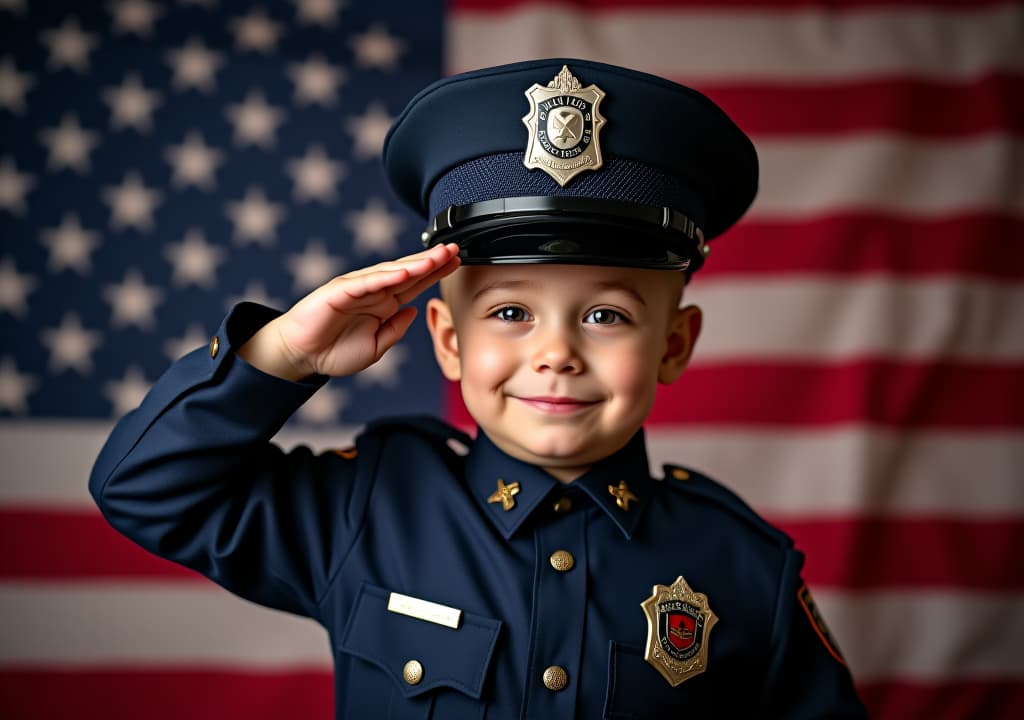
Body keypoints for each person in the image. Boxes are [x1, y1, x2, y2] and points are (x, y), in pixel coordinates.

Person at [90, 58, 868, 718]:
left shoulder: (742, 567)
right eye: (510, 312)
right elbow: (143, 487)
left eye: (605, 314)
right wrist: (281, 353)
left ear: (674, 344)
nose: (557, 353)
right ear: (450, 342)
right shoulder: (366, 515)